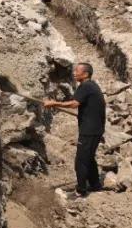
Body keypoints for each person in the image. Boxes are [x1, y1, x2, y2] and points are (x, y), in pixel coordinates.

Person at [44, 62, 105, 196]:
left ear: (86, 74)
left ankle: (81, 190)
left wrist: (54, 103)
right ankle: (95, 185)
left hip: (89, 130)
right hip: (96, 129)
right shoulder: (92, 86)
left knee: (81, 161)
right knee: (89, 158)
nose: (74, 73)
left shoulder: (85, 86)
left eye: (77, 71)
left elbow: (74, 104)